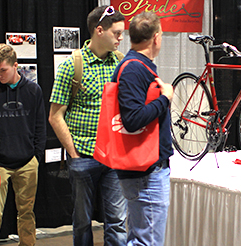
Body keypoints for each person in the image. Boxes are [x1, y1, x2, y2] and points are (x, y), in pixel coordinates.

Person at [48, 5, 127, 246]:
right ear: (99, 30)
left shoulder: (122, 63)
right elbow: (55, 115)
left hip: (114, 157)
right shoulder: (72, 65)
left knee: (117, 221)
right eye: (117, 33)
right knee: (82, 221)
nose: (121, 38)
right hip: (84, 155)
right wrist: (73, 154)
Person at [0, 43, 46, 246]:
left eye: (3, 70)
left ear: (16, 65)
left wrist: (36, 156)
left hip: (26, 161)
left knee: (26, 211)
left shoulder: (33, 90)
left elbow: (40, 125)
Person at [111, 11, 173, 245]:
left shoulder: (136, 66)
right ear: (156, 38)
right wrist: (165, 99)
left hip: (146, 169)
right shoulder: (134, 69)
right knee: (146, 241)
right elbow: (133, 119)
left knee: (142, 238)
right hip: (145, 172)